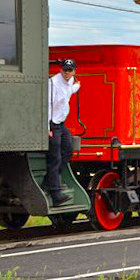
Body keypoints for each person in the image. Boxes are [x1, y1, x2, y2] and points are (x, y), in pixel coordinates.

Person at [45, 59, 81, 206]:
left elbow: (69, 90)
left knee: (68, 151)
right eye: (65, 70)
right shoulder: (53, 83)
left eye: (70, 70)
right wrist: (47, 126)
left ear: (74, 71)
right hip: (53, 123)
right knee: (55, 157)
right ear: (60, 70)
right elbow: (48, 104)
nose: (67, 73)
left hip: (61, 123)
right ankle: (55, 192)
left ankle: (49, 180)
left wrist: (77, 87)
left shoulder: (70, 81)